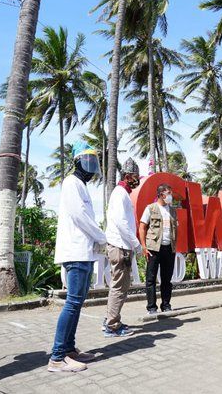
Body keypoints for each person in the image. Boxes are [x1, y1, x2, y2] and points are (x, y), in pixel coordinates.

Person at [47, 141, 106, 372]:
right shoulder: (72, 183)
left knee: (77, 302)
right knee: (72, 303)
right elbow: (80, 216)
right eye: (87, 161)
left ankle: (69, 349)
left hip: (84, 251)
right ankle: (57, 357)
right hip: (76, 251)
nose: (91, 167)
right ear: (77, 162)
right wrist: (102, 237)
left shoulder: (81, 185)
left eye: (94, 162)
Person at [103, 158, 142, 337]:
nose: (137, 180)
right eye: (135, 176)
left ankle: (112, 319)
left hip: (122, 246)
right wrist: (136, 244)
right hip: (120, 247)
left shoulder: (122, 193)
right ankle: (112, 325)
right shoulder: (119, 193)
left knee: (120, 285)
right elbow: (121, 222)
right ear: (127, 176)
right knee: (119, 287)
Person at [139, 184, 177, 315]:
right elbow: (142, 227)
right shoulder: (150, 208)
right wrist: (144, 246)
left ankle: (166, 305)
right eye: (169, 193)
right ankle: (151, 307)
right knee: (151, 279)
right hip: (154, 248)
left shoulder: (172, 210)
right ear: (161, 194)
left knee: (167, 279)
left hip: (169, 248)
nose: (171, 196)